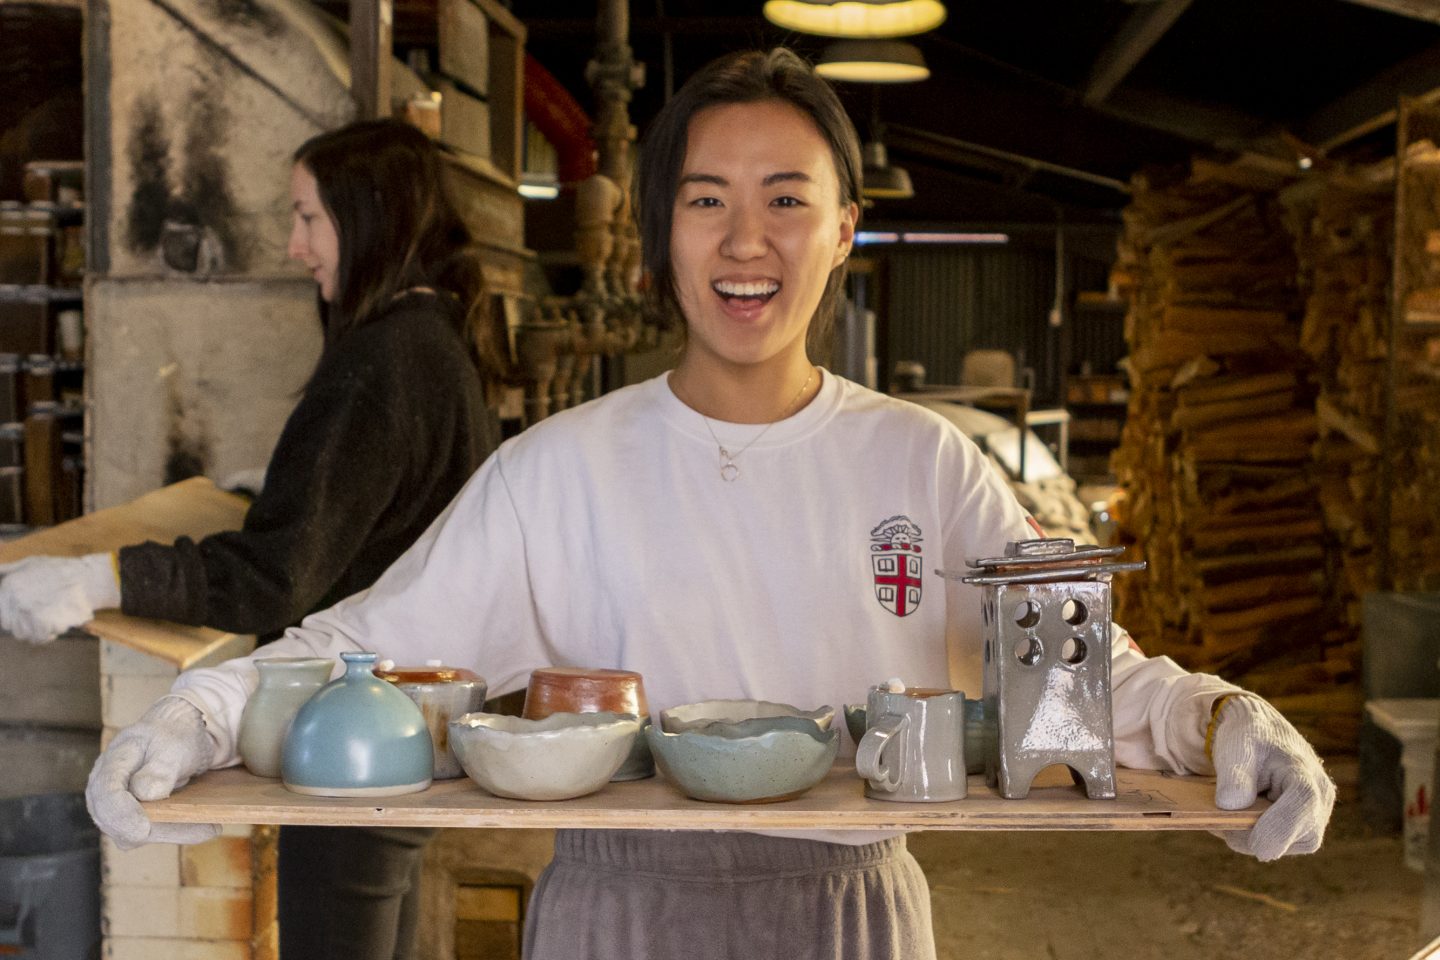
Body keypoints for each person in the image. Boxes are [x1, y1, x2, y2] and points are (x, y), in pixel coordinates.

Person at [82, 51, 1334, 960]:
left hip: (853, 917)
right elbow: (359, 647)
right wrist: (196, 717)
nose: (748, 241)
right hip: (617, 913)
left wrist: (1222, 721)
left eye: (787, 198)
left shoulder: (927, 463)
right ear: (656, 243)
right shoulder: (554, 471)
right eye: (706, 200)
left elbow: (1078, 683)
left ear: (846, 229)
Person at [1, 119, 501, 960]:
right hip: (404, 725)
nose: (295, 245)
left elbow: (278, 576)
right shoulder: (434, 342)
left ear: (368, 215)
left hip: (351, 730)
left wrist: (96, 576)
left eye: (308, 217)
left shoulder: (383, 361)